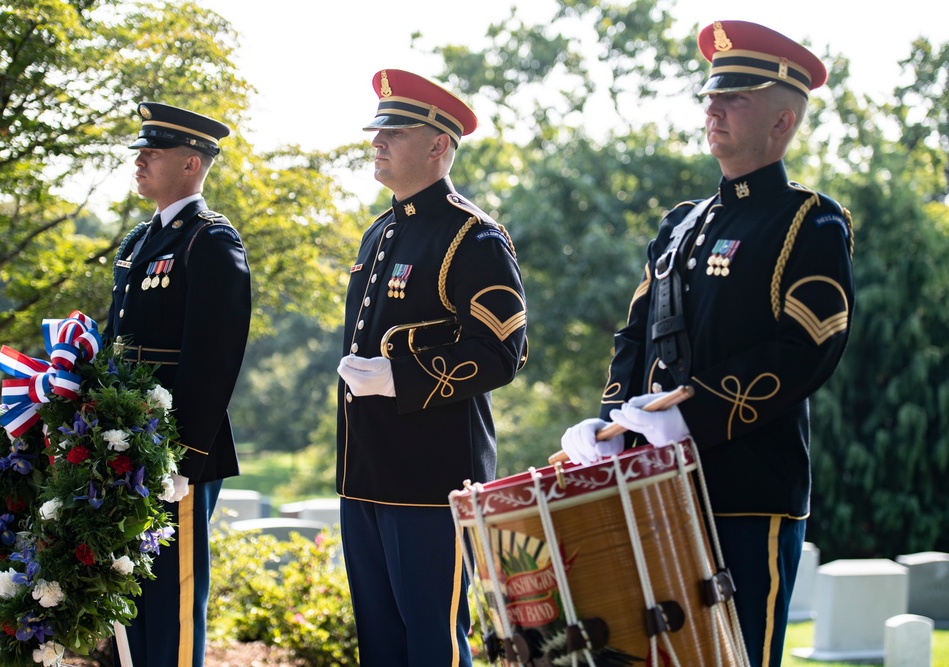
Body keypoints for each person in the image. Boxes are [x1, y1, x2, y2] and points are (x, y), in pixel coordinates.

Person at [560, 20, 854, 667]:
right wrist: (612, 417)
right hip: (656, 486)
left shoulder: (810, 220)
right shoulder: (681, 224)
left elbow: (809, 345)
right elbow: (636, 332)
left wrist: (697, 414)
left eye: (735, 97)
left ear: (781, 122)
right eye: (711, 95)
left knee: (737, 656)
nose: (712, 107)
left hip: (749, 489)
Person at [336, 69, 528, 666]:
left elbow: (503, 350)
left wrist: (401, 378)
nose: (377, 141)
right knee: (381, 643)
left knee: (433, 640)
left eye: (393, 130)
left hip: (431, 477)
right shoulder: (380, 232)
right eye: (378, 130)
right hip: (365, 470)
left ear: (438, 145)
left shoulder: (473, 237)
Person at [105, 101, 252, 667]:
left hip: (174, 454)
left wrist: (184, 458)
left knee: (173, 598)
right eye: (141, 149)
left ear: (192, 163)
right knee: (129, 597)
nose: (140, 159)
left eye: (154, 150)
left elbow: (215, 358)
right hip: (121, 447)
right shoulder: (139, 242)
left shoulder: (210, 241)